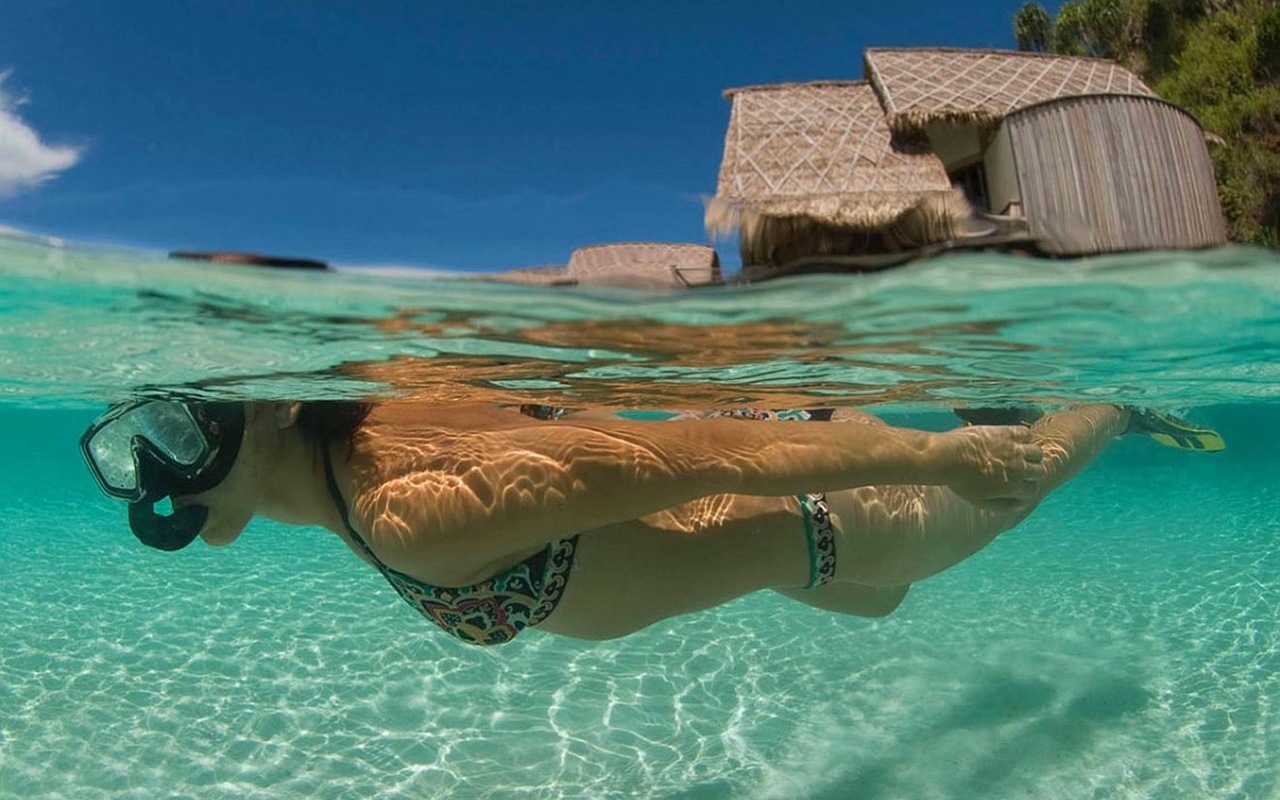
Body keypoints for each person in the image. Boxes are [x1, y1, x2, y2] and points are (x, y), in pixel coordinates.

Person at [79, 400, 1221, 646]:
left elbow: (686, 459)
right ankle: (1000, 424)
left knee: (1011, 483)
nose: (157, 473)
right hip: (813, 554)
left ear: (272, 404)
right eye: (139, 450)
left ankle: (1107, 409)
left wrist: (932, 455)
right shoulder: (341, 465)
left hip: (828, 510)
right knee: (884, 602)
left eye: (176, 430)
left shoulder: (403, 509)